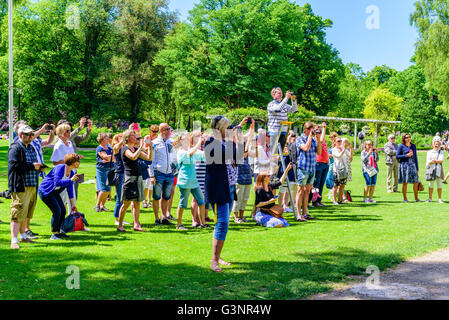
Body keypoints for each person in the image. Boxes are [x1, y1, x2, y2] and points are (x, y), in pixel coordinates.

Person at [205, 116, 238, 272]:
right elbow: (222, 157)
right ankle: (214, 261)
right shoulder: (211, 142)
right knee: (223, 222)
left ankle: (217, 257)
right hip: (219, 189)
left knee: (223, 223)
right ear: (219, 129)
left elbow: (236, 160)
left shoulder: (225, 142)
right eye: (227, 127)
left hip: (230, 187)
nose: (229, 130)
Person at [8, 125, 46, 249]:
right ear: (20, 135)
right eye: (27, 134)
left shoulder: (30, 147)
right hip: (21, 185)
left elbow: (32, 163)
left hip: (32, 184)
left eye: (31, 134)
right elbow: (14, 165)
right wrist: (32, 166)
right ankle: (14, 240)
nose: (30, 137)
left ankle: (23, 236)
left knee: (26, 213)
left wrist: (40, 167)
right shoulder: (15, 147)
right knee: (17, 211)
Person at [116, 130, 152, 232]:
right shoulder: (124, 149)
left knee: (137, 203)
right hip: (130, 178)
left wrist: (150, 147)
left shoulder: (135, 149)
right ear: (127, 138)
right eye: (133, 135)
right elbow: (133, 157)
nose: (135, 137)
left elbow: (149, 158)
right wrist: (141, 146)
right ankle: (120, 225)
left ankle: (136, 224)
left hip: (138, 177)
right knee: (126, 203)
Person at [38, 154, 81, 240]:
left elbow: (70, 190)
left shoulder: (71, 173)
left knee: (63, 211)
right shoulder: (60, 168)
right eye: (78, 161)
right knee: (57, 211)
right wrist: (70, 180)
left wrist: (73, 204)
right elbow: (57, 183)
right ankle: (54, 234)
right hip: (46, 191)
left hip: (54, 192)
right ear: (72, 162)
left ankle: (60, 232)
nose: (79, 163)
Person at [175, 131, 209, 230]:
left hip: (194, 181)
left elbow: (203, 155)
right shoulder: (180, 152)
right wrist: (199, 142)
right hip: (185, 181)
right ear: (181, 141)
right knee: (182, 204)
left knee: (202, 202)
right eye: (184, 139)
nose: (187, 140)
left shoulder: (192, 150)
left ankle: (203, 223)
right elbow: (190, 154)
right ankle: (179, 224)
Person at [150, 123, 176, 226]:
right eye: (168, 129)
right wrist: (151, 175)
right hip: (158, 173)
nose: (170, 131)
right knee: (156, 197)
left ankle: (164, 217)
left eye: (170, 129)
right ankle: (157, 219)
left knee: (166, 197)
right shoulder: (154, 143)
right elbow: (151, 160)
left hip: (169, 173)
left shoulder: (171, 142)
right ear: (162, 130)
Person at [295, 122, 322, 221]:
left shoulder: (314, 140)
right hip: (303, 168)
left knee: (307, 191)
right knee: (300, 191)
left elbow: (319, 152)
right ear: (306, 129)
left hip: (312, 168)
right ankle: (298, 214)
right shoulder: (299, 139)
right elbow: (306, 148)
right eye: (312, 129)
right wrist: (310, 137)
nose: (314, 131)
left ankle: (305, 213)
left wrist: (318, 139)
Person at [254, 163, 293, 228]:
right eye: (268, 176)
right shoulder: (259, 189)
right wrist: (269, 201)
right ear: (263, 178)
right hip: (262, 213)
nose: (270, 177)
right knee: (279, 224)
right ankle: (261, 221)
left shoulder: (269, 186)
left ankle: (267, 221)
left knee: (285, 224)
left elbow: (281, 182)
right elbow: (257, 204)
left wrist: (286, 170)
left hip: (271, 212)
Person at [232, 118, 256, 223]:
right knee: (238, 197)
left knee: (245, 197)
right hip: (238, 174)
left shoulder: (244, 142)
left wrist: (252, 125)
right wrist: (241, 123)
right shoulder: (235, 145)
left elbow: (250, 134)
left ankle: (242, 216)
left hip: (246, 173)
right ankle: (236, 217)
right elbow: (237, 132)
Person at [267, 87, 298, 153]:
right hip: (274, 132)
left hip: (283, 132)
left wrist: (293, 100)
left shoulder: (284, 105)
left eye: (281, 93)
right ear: (273, 95)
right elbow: (278, 109)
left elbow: (294, 110)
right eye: (279, 93)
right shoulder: (271, 104)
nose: (281, 95)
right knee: (273, 153)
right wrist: (286, 98)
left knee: (280, 153)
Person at [111, 133, 130, 226]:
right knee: (120, 197)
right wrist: (123, 139)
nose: (122, 138)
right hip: (120, 173)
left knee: (123, 197)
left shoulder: (125, 148)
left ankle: (120, 218)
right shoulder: (116, 147)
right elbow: (116, 148)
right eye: (120, 137)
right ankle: (117, 219)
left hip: (125, 173)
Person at [94, 133, 115, 212]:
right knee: (103, 188)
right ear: (101, 140)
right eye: (106, 138)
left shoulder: (109, 147)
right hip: (102, 169)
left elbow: (113, 158)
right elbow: (107, 157)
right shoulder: (99, 148)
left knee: (108, 188)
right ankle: (97, 205)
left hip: (110, 168)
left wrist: (110, 157)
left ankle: (102, 205)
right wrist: (110, 157)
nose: (108, 140)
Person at [397, 133, 421, 203]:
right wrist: (406, 155)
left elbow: (415, 157)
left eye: (409, 137)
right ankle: (405, 198)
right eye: (406, 137)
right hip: (404, 165)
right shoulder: (401, 146)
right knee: (405, 182)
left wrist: (417, 168)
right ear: (404, 139)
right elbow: (397, 156)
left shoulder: (413, 146)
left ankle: (416, 198)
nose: (408, 138)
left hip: (413, 165)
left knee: (416, 182)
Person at [142, 125, 159, 208]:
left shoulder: (158, 138)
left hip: (154, 161)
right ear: (150, 131)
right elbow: (144, 148)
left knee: (151, 184)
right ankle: (144, 200)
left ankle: (149, 201)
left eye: (156, 131)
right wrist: (151, 145)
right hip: (147, 161)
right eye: (154, 131)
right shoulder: (147, 137)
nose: (155, 133)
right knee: (146, 182)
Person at [312, 123, 328, 207]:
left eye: (320, 128)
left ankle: (319, 199)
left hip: (325, 163)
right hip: (318, 163)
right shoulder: (317, 139)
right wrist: (324, 128)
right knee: (316, 183)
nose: (319, 129)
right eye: (317, 128)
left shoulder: (323, 139)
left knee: (321, 183)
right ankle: (314, 201)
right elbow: (321, 140)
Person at [425, 137, 444, 203]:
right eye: (435, 144)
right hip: (431, 170)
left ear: (439, 145)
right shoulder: (429, 152)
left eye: (438, 144)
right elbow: (428, 161)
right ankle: (430, 198)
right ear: (433, 144)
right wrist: (435, 161)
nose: (436, 145)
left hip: (438, 170)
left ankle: (440, 198)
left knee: (439, 184)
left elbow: (441, 160)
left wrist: (434, 161)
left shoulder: (441, 152)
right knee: (431, 184)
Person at [332, 137, 349, 205]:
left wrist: (349, 148)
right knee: (336, 186)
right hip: (337, 170)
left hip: (344, 169)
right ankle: (334, 200)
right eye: (338, 141)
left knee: (342, 185)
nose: (340, 142)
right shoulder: (334, 150)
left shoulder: (343, 148)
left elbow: (349, 155)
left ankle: (340, 200)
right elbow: (338, 156)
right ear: (335, 142)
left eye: (340, 141)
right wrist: (344, 149)